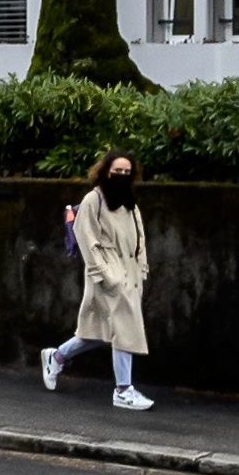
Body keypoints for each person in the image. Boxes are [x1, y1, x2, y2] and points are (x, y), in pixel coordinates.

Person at [38, 150, 154, 410]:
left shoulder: (129, 202)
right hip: (108, 274)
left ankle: (56, 357)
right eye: (117, 171)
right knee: (123, 327)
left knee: (100, 331)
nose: (122, 176)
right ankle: (123, 390)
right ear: (105, 171)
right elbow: (85, 236)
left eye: (127, 172)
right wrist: (104, 273)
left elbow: (140, 237)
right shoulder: (94, 199)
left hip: (128, 272)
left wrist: (141, 267)